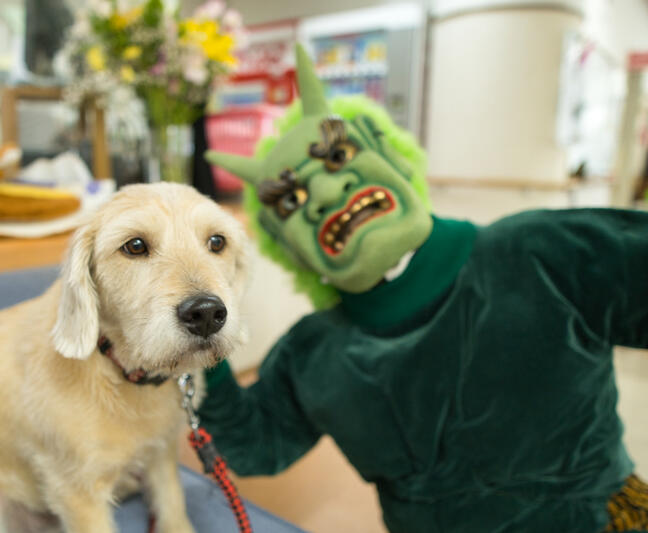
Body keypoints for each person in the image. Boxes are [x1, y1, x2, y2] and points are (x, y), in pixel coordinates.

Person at [202, 45, 648, 533]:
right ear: (290, 249)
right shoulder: (314, 352)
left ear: (392, 157)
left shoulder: (540, 251)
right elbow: (256, 444)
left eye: (339, 156)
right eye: (291, 201)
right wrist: (202, 347)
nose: (327, 195)